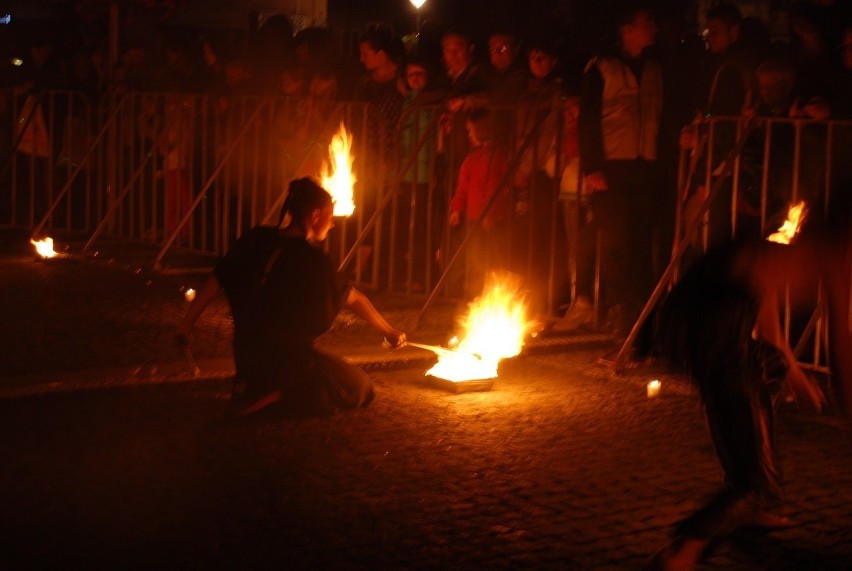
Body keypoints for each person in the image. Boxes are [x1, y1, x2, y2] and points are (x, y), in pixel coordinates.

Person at [650, 207, 851, 570]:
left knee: (770, 364)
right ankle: (688, 546)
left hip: (693, 334)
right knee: (759, 484)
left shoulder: (769, 253)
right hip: (712, 344)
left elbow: (769, 328)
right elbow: (838, 346)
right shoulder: (829, 257)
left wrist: (798, 379)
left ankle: (746, 500)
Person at [177, 177, 407, 416]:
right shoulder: (313, 261)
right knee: (360, 387)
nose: (333, 225)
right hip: (288, 360)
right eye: (330, 217)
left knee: (334, 372)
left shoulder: (255, 239)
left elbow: (216, 280)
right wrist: (388, 331)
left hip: (246, 355)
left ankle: (256, 390)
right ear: (316, 215)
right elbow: (348, 300)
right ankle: (280, 394)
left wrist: (185, 326)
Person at [578, 4, 663, 338]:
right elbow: (589, 118)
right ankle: (620, 313)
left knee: (641, 240)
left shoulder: (655, 66)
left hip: (645, 164)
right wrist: (592, 166)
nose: (653, 28)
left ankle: (641, 314)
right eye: (647, 22)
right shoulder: (601, 67)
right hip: (611, 166)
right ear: (627, 29)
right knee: (617, 244)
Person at [447, 109, 512, 297]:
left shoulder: (498, 156)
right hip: (474, 220)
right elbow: (462, 188)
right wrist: (457, 209)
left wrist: (490, 213)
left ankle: (494, 297)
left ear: (483, 130)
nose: (469, 135)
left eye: (471, 131)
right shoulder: (471, 159)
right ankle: (476, 296)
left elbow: (498, 189)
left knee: (494, 260)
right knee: (476, 259)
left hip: (492, 221)